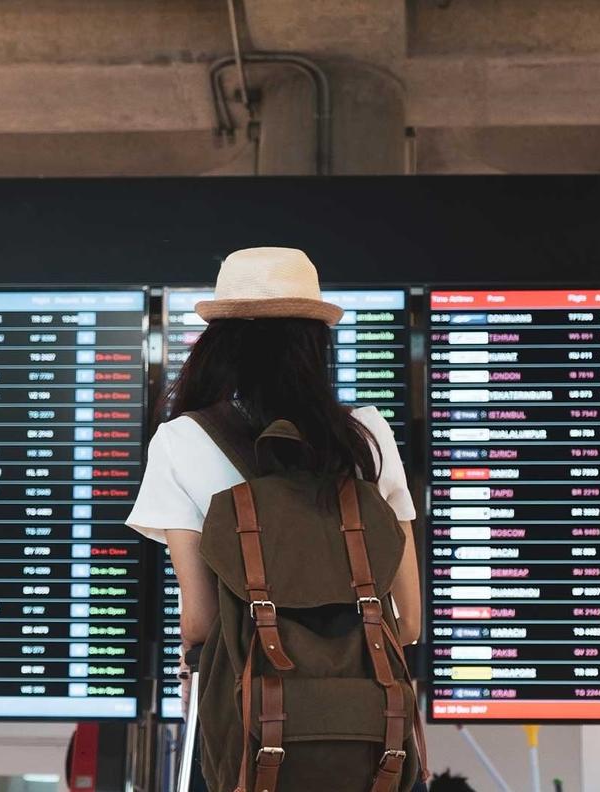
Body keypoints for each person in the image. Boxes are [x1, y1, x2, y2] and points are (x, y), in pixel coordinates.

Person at [126, 247, 423, 788]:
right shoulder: (367, 435)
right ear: (315, 341)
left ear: (219, 342)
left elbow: (201, 622)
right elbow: (409, 620)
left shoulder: (182, 439)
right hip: (369, 737)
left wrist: (191, 671)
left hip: (251, 727)